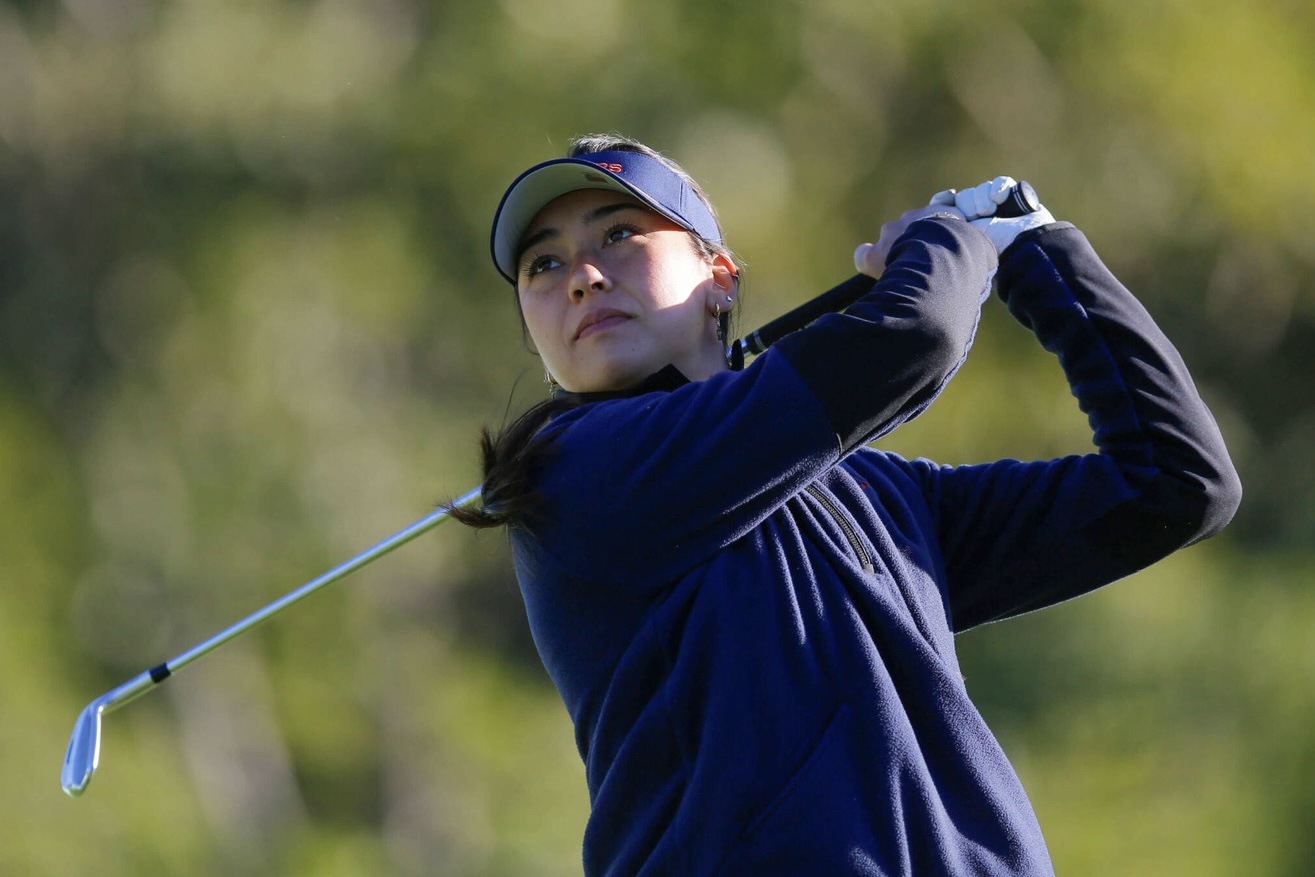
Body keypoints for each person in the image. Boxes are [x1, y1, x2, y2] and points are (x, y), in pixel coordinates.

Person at [449, 133, 1242, 876]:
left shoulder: (881, 496)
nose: (582, 276)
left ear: (718, 278)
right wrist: (948, 238)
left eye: (619, 234)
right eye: (543, 265)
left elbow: (1175, 482)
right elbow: (914, 335)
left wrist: (1040, 254)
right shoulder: (576, 471)